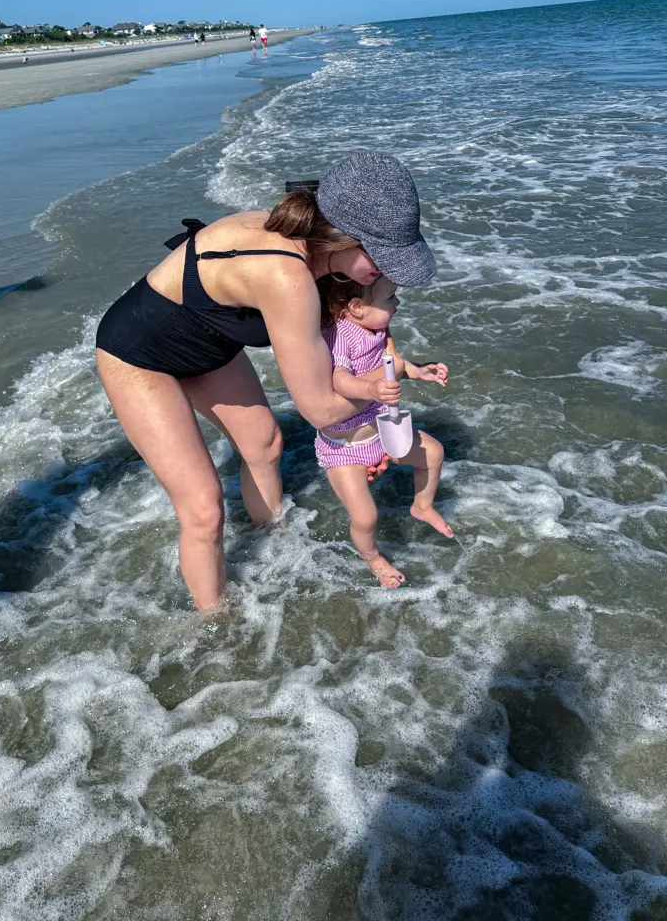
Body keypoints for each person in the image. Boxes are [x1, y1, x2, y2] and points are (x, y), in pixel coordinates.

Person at [95, 152, 436, 612]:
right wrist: (372, 435)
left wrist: (368, 421)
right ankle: (214, 625)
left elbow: (348, 360)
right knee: (203, 508)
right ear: (344, 236)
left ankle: (272, 543)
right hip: (141, 353)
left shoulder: (315, 249)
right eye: (383, 256)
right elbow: (319, 409)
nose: (389, 273)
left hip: (208, 342)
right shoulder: (287, 275)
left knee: (266, 444)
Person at [316, 274, 452, 588]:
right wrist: (371, 389)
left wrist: (421, 371)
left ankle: (422, 505)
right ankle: (372, 557)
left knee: (433, 453)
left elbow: (395, 363)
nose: (397, 302)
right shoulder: (339, 335)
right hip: (345, 450)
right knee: (365, 517)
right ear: (356, 306)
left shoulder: (378, 328)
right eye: (390, 297)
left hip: (381, 432)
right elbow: (338, 379)